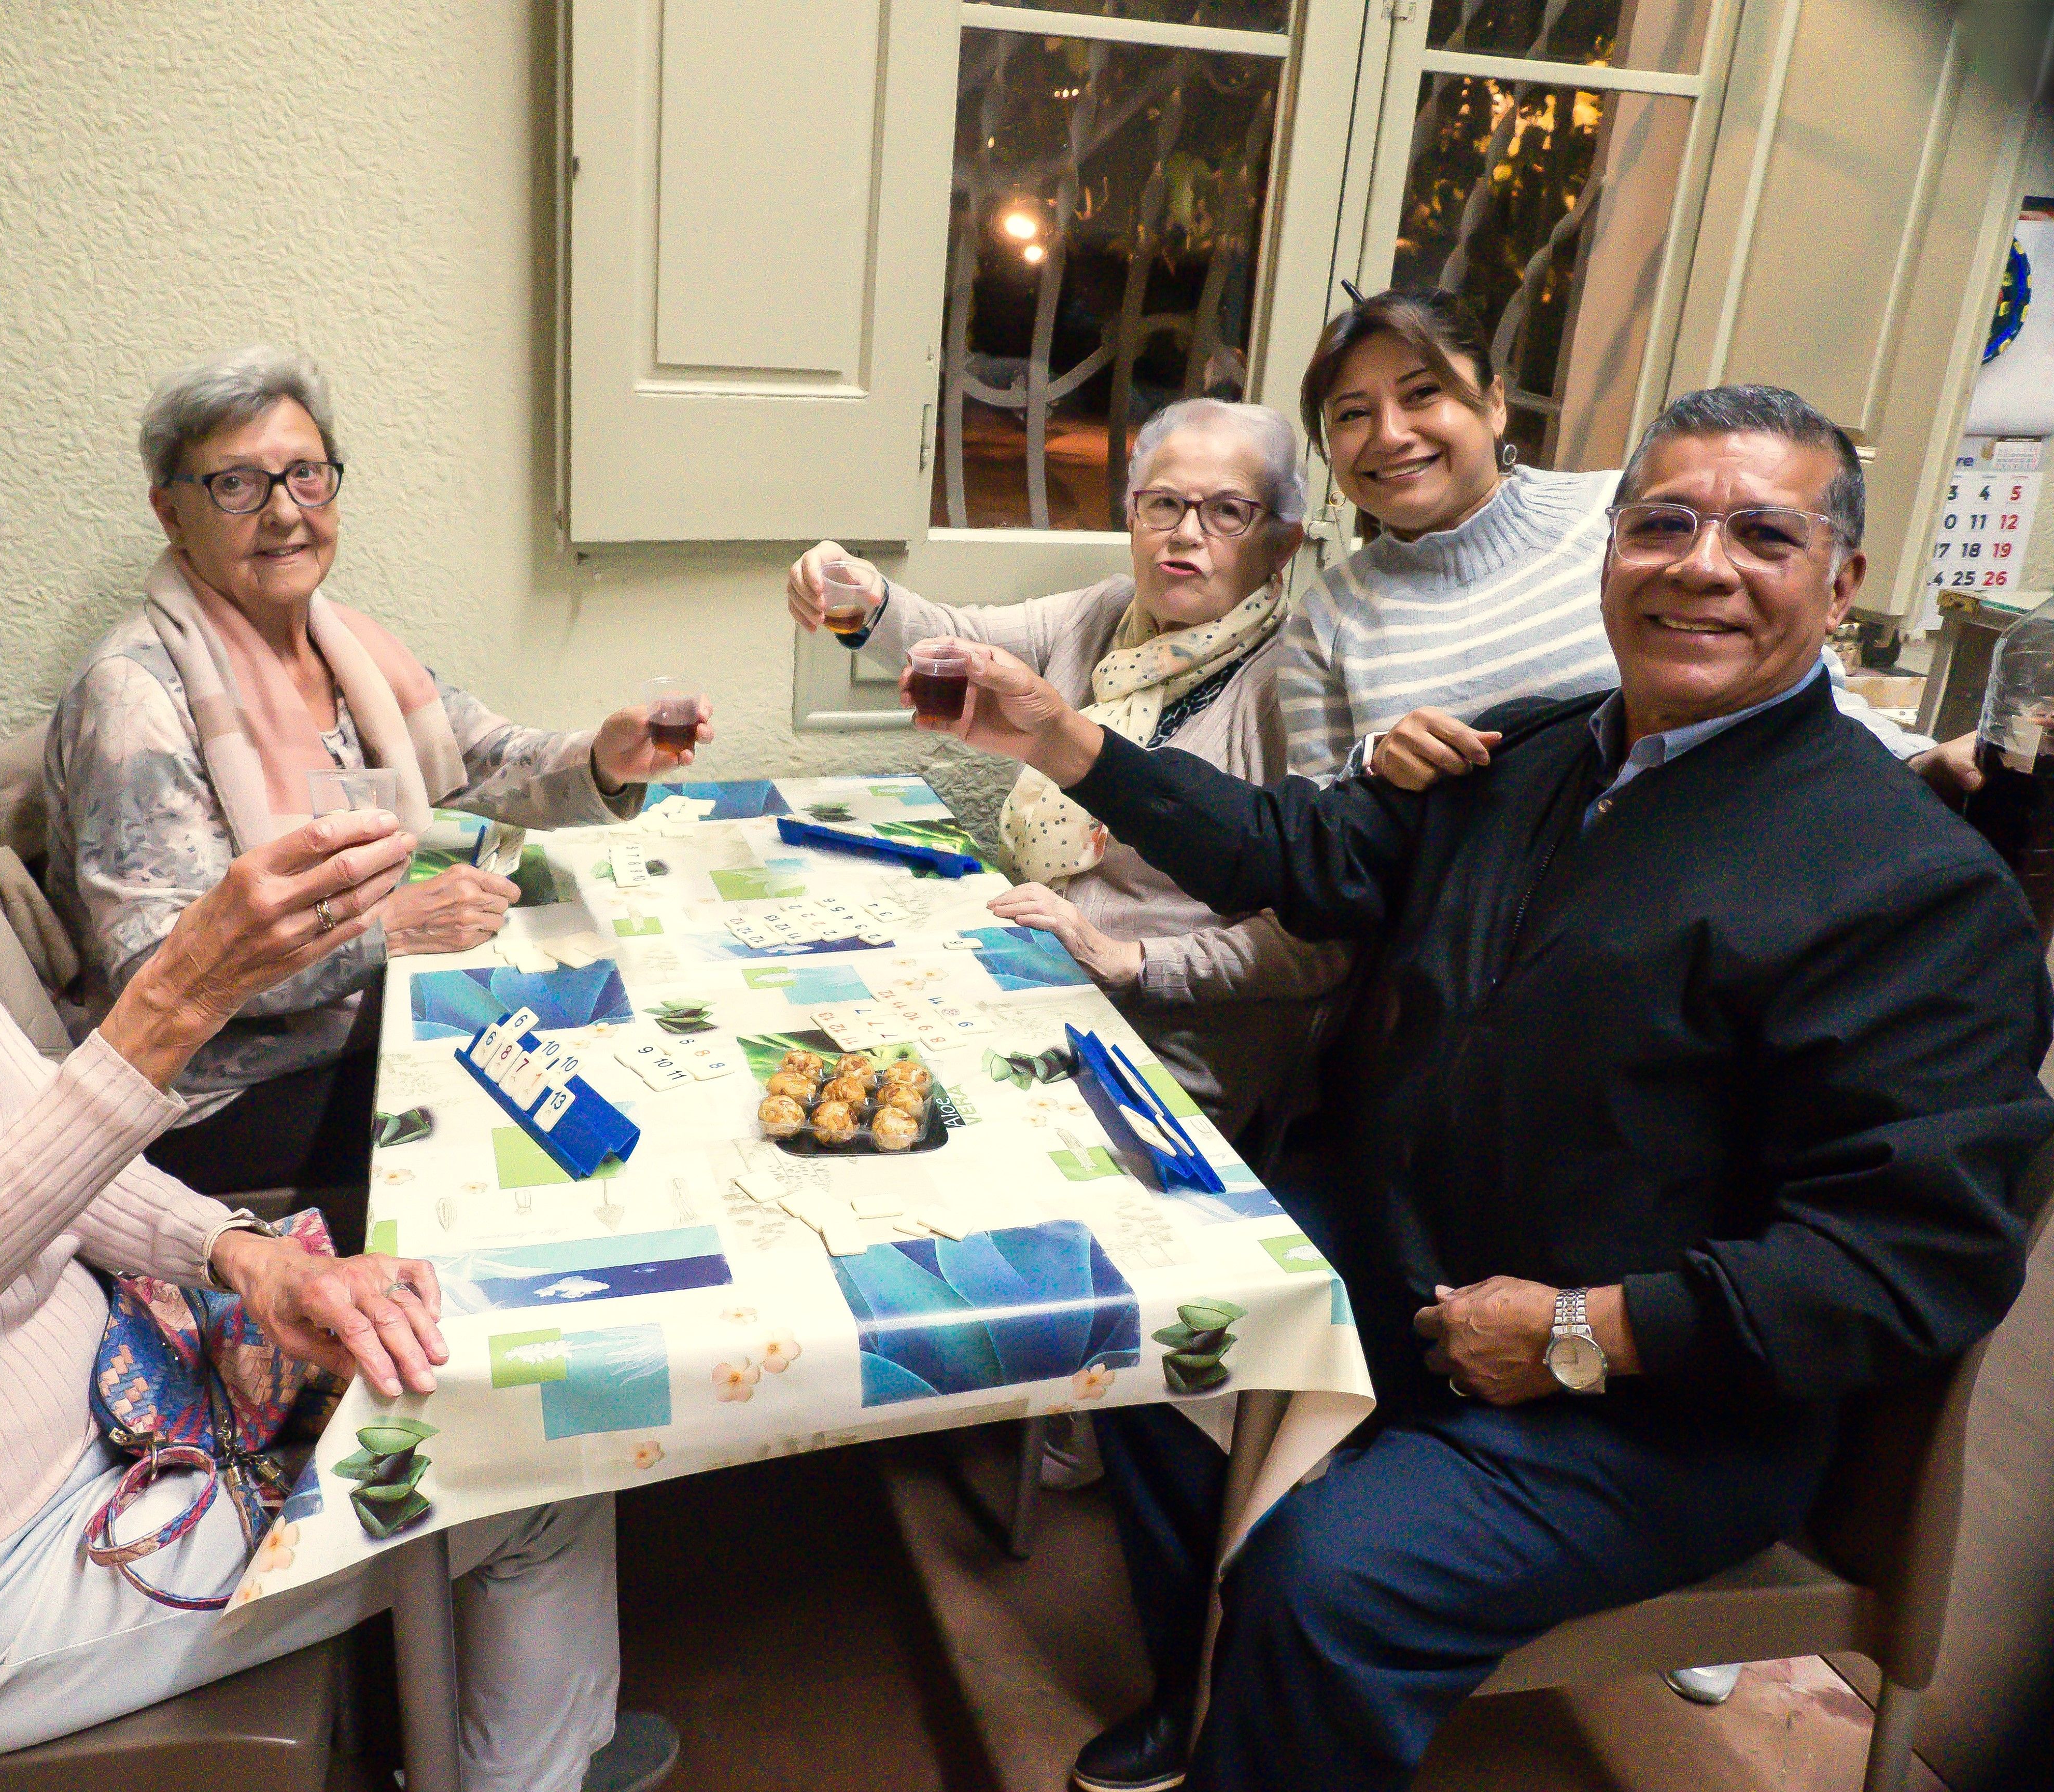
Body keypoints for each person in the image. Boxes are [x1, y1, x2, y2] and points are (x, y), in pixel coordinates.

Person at [902, 384, 2052, 1792]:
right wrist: (1055, 734)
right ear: (1612, 548)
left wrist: (1585, 1330)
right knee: (1158, 1331)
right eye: (1666, 523)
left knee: (1331, 1583)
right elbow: (1294, 852)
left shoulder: (1912, 887)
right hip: (1413, 1269)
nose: (1703, 564)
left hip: (1655, 1402)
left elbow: (1913, 1261)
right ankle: (1201, 1688)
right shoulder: (1524, 755)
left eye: (1763, 534)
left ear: (1842, 583)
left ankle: (1262, 1704)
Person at [0, 397, 675, 1790]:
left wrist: (241, 1257)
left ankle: (503, 1749)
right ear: (174, 510)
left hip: (94, 1416)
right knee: (542, 1470)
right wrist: (190, 986)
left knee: (482, 1356)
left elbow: (23, 1131)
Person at [48, 346, 712, 1228]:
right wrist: (385, 932)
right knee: (558, 1146)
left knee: (620, 1044)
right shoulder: (137, 697)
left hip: (360, 1024)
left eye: (306, 476)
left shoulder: (342, 644)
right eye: (237, 486)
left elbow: (482, 758)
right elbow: (160, 968)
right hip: (214, 1102)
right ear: (171, 512)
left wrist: (605, 758)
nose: (285, 512)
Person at [786, 398, 1348, 1145]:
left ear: (1282, 544)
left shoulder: (1289, 688)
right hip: (1025, 980)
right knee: (827, 1070)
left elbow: (1317, 944)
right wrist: (858, 593)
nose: (1186, 533)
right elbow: (958, 637)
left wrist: (1131, 960)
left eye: (1227, 513)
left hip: (1156, 1054)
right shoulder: (1107, 613)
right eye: (1164, 505)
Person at [1281, 287, 1977, 807]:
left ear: (1494, 404)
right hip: (1470, 943)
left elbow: (1798, 692)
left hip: (1721, 873)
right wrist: (1376, 762)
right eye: (1352, 414)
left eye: (1422, 394)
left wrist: (1920, 768)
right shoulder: (1331, 617)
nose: (1390, 434)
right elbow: (1318, 827)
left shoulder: (1636, 522)